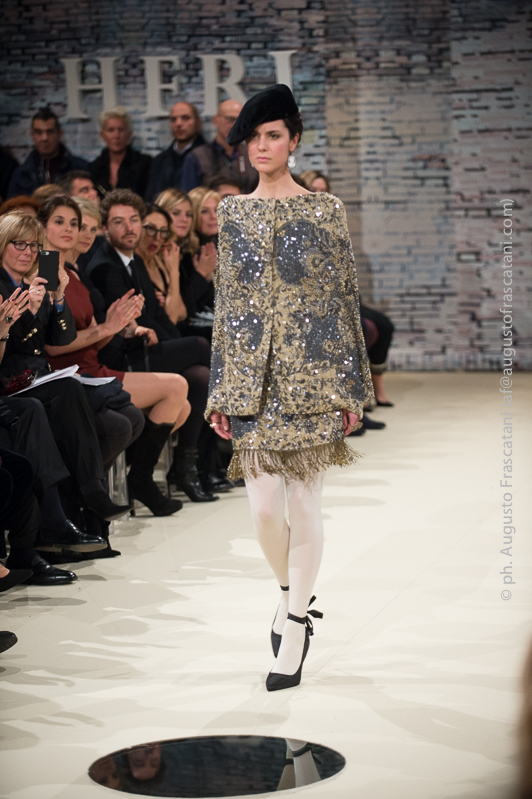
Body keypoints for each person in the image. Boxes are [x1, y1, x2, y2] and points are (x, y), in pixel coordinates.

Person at [206, 85, 373, 691]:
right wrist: (219, 389)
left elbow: (342, 299)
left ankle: (296, 626)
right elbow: (228, 306)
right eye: (253, 138)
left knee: (303, 505)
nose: (262, 147)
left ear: (294, 140)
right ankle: (289, 594)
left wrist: (352, 389)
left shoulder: (325, 210)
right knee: (262, 510)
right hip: (252, 381)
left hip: (313, 377)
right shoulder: (232, 213)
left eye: (273, 135)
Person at [47, 197, 188, 517]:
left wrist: (121, 324)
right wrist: (110, 327)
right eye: (68, 224)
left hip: (91, 365)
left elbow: (95, 336)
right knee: (178, 386)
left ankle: (127, 478)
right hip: (72, 373)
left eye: (85, 227)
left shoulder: (73, 272)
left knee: (182, 404)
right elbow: (55, 345)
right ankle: (129, 482)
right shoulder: (53, 271)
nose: (79, 233)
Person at [0, 211, 132, 525]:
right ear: (2, 244)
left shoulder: (34, 281)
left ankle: (85, 499)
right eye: (19, 244)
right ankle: (88, 496)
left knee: (121, 417)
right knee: (70, 390)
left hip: (40, 378)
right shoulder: (4, 287)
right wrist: (23, 316)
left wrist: (58, 297)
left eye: (33, 246)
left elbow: (62, 336)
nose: (28, 252)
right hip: (13, 381)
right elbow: (16, 346)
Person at [86, 189, 218, 503]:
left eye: (134, 220)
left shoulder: (132, 261)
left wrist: (176, 347)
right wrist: (178, 347)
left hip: (139, 346)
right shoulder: (106, 266)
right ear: (105, 228)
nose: (129, 228)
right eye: (119, 222)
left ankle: (190, 467)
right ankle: (171, 470)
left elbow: (159, 317)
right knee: (202, 347)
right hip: (120, 356)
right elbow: (132, 322)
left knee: (200, 375)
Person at [7, 108, 88, 198]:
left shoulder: (80, 169)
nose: (44, 138)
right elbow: (13, 205)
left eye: (50, 132)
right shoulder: (22, 174)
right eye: (38, 132)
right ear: (32, 135)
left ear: (59, 134)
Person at [181, 99, 258, 194]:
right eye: (230, 119)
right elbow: (190, 197)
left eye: (239, 121)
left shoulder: (251, 153)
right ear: (215, 120)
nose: (235, 125)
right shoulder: (197, 157)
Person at [145, 102, 206, 201]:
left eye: (185, 118)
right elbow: (150, 199)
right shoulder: (159, 161)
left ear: (198, 123)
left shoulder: (208, 157)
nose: (178, 124)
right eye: (173, 119)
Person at [89, 108, 152, 199]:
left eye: (121, 130)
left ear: (129, 134)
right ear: (102, 135)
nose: (116, 135)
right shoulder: (94, 168)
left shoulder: (144, 164)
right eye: (111, 130)